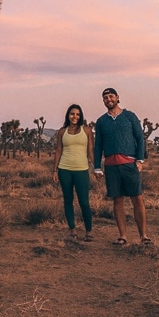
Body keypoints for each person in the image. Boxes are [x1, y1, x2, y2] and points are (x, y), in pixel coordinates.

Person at [93, 87, 151, 246]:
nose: (108, 99)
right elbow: (98, 145)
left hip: (130, 164)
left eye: (111, 96)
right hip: (111, 166)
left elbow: (140, 138)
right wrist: (97, 167)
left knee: (137, 199)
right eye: (105, 98)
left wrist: (140, 160)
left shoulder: (130, 116)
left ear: (118, 97)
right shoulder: (101, 121)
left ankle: (143, 235)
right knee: (117, 200)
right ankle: (123, 236)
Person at [53, 103, 95, 241]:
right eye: (72, 114)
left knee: (84, 202)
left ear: (80, 115)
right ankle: (73, 230)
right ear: (68, 115)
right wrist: (54, 170)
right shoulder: (62, 131)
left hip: (81, 170)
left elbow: (90, 151)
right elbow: (59, 150)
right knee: (68, 200)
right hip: (64, 169)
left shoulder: (87, 131)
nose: (74, 116)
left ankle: (88, 231)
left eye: (77, 114)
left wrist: (97, 168)